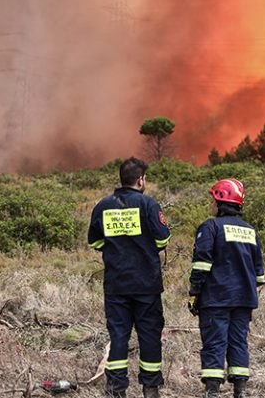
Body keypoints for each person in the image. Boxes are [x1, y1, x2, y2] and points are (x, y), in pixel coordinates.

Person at [88, 157, 171, 398]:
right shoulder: (148, 205)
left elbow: (95, 241)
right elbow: (163, 239)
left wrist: (117, 247)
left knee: (119, 335)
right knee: (149, 334)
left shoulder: (103, 206)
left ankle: (116, 389)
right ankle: (150, 387)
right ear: (140, 180)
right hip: (146, 284)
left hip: (116, 285)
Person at [188, 178, 265, 398]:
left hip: (216, 299)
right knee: (238, 342)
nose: (211, 204)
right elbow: (259, 274)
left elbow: (201, 264)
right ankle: (239, 391)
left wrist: (194, 292)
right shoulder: (250, 231)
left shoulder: (210, 227)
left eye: (213, 199)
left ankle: (212, 392)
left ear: (221, 201)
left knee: (214, 343)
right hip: (244, 300)